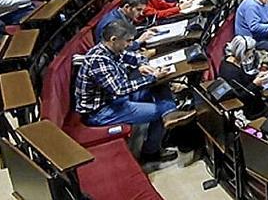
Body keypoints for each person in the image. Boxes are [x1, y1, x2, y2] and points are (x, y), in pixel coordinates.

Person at [75, 21, 193, 164]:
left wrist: (143, 65)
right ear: (114, 40)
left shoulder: (112, 49)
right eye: (128, 41)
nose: (130, 44)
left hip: (115, 99)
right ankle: (152, 151)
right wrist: (152, 77)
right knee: (162, 106)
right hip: (101, 111)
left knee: (159, 86)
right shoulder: (98, 60)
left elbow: (135, 57)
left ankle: (169, 115)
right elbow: (119, 89)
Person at [219, 36, 268, 120]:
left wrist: (256, 75)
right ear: (243, 52)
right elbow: (240, 96)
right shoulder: (230, 72)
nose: (251, 54)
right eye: (251, 52)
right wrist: (255, 84)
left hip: (252, 96)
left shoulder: (231, 60)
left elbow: (244, 78)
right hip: (249, 107)